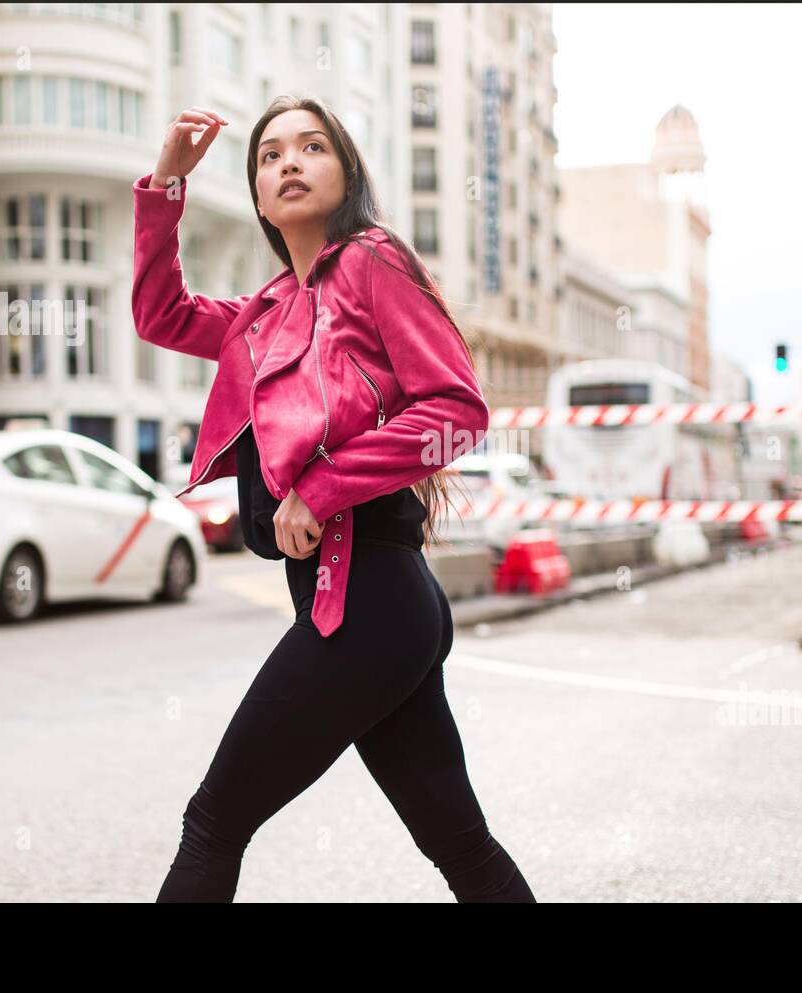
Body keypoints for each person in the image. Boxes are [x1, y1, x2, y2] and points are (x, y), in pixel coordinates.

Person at [133, 99, 536, 903]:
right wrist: (167, 184)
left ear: (346, 172)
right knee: (460, 842)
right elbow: (161, 314)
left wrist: (321, 486)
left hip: (369, 601)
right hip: (368, 609)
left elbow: (457, 412)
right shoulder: (267, 313)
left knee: (213, 822)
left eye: (311, 147)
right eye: (269, 154)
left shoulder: (371, 261)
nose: (288, 163)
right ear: (254, 193)